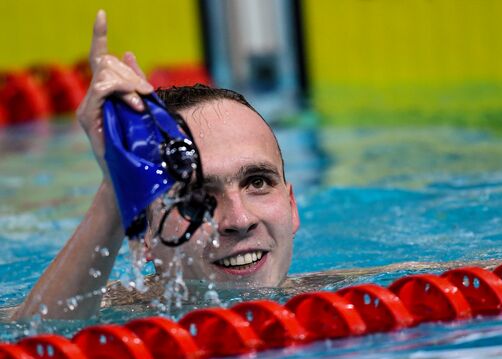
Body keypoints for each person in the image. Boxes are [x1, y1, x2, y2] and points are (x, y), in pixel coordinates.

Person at [13, 10, 299, 320]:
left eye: (257, 182)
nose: (240, 219)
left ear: (292, 206)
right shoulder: (112, 314)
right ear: (146, 236)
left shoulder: (343, 296)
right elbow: (26, 343)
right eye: (196, 196)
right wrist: (116, 194)